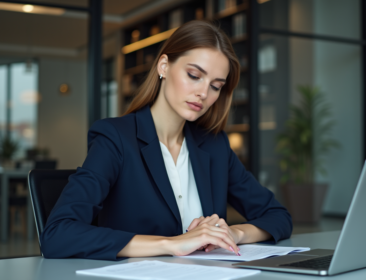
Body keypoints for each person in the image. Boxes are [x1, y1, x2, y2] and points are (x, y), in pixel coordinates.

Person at [41, 20, 292, 261]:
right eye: (194, 75)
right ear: (164, 66)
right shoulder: (114, 138)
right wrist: (173, 243)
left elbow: (278, 216)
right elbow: (58, 234)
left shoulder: (214, 145)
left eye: (216, 86)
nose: (203, 93)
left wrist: (233, 233)